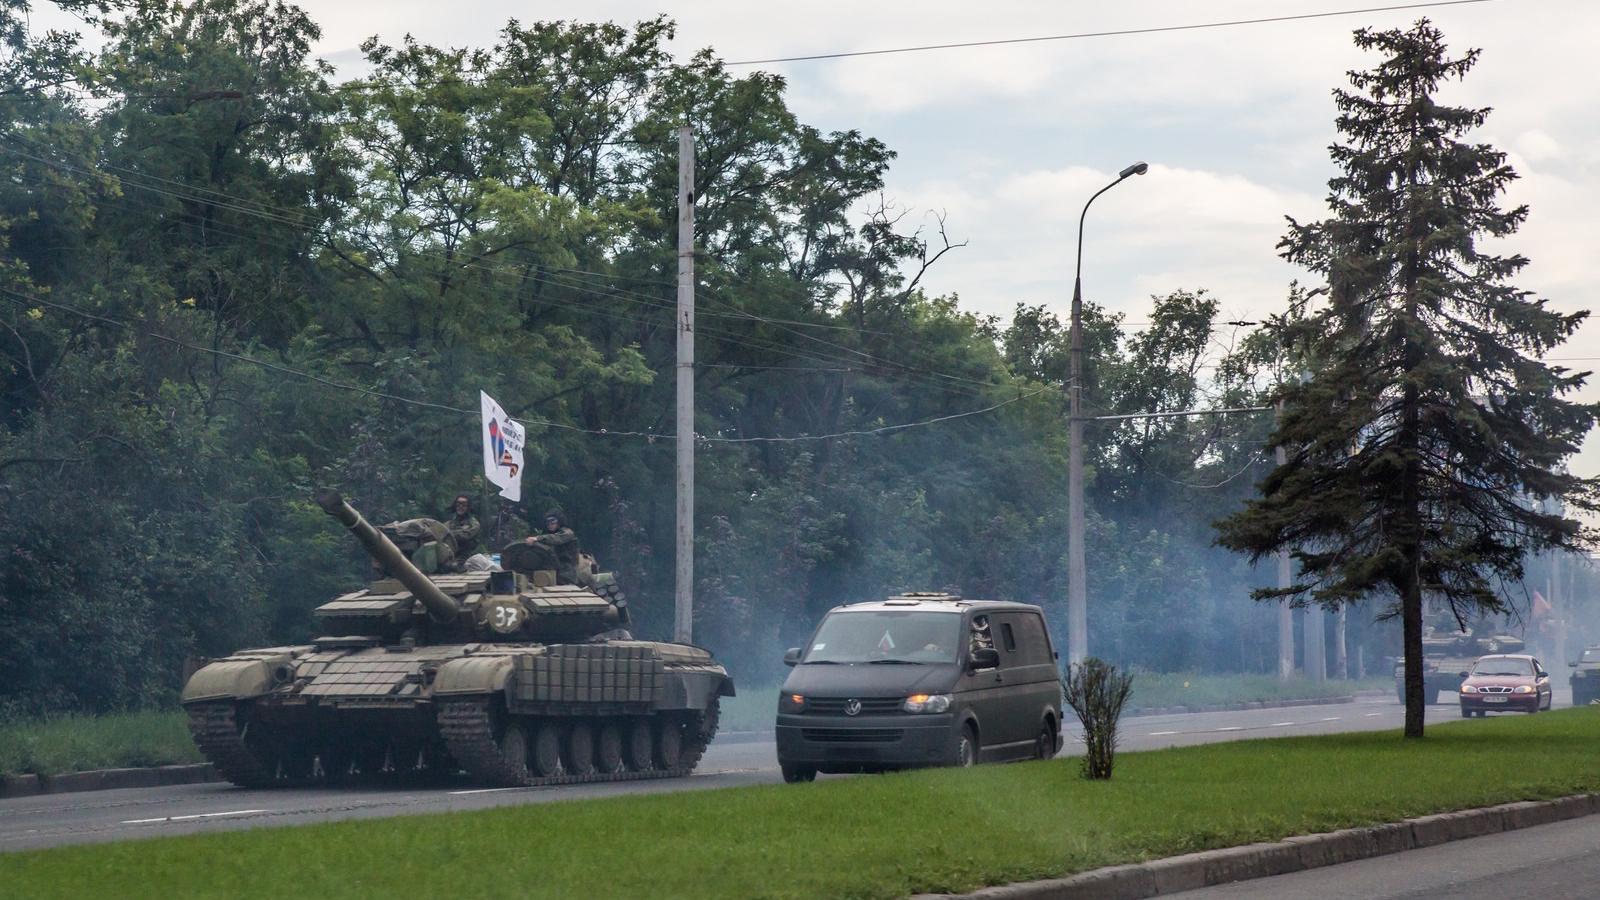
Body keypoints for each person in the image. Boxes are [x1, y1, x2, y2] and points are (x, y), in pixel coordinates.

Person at [522, 509, 580, 584]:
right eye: (548, 523)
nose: (550, 525)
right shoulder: (547, 535)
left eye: (553, 522)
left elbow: (557, 539)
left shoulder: (567, 533)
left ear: (559, 522)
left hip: (566, 573)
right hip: (551, 572)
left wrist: (537, 538)